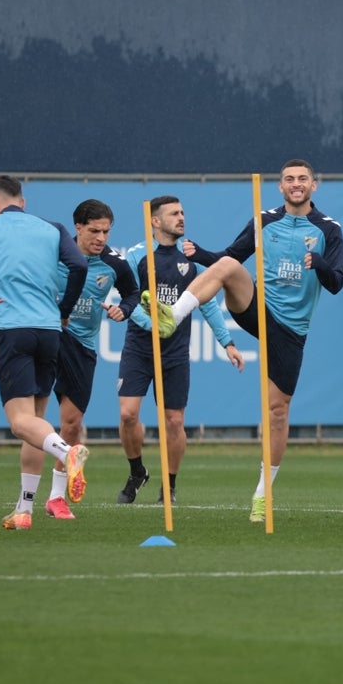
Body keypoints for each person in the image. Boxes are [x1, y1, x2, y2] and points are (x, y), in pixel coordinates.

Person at [176, 159, 343, 521]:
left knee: (277, 413)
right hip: (258, 309)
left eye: (302, 179)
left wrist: (320, 263)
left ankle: (262, 494)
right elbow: (230, 257)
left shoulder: (329, 229)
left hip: (292, 330)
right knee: (227, 269)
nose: (295, 184)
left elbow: (336, 284)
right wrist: (200, 253)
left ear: (314, 185)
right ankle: (172, 316)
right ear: (280, 187)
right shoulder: (264, 220)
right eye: (289, 179)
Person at [2, 199, 140, 528]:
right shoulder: (56, 253)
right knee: (36, 422)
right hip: (49, 338)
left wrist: (125, 308)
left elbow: (133, 292)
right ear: (77, 228)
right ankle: (25, 505)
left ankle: (56, 498)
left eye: (106, 231)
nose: (101, 237)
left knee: (72, 424)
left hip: (83, 347)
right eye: (94, 230)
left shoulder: (114, 265)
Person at [0, 175, 91, 533]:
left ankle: (68, 453)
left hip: (11, 328)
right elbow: (79, 266)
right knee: (37, 423)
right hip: (49, 331)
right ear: (23, 200)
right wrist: (64, 309)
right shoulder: (51, 228)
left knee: (19, 422)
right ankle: (24, 510)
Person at [117, 195, 244, 504]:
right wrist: (155, 326)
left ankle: (169, 486)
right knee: (128, 415)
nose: (181, 217)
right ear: (155, 221)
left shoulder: (191, 259)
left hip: (174, 353)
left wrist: (227, 342)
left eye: (183, 212)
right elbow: (129, 299)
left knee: (174, 421)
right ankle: (137, 472)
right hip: (139, 349)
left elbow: (209, 305)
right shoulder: (136, 256)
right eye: (174, 213)